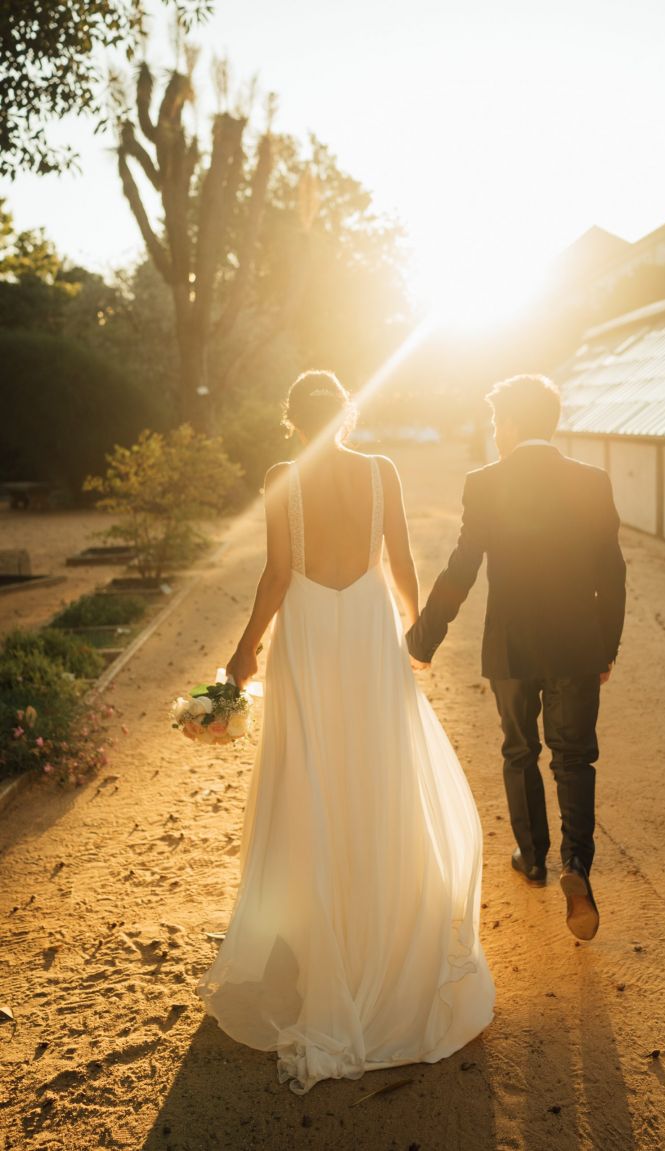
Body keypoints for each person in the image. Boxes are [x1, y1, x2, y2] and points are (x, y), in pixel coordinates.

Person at [196, 370, 494, 1094]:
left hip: (306, 630)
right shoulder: (380, 470)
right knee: (380, 768)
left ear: (292, 420)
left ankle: (323, 932)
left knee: (313, 772)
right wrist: (416, 630)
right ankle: (380, 926)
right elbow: (399, 558)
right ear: (347, 415)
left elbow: (275, 573)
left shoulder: (281, 475)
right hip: (366, 628)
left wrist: (244, 651)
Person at [407, 375, 626, 941]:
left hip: (510, 645)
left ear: (511, 425)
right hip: (578, 643)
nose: (494, 433)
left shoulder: (485, 483)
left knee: (520, 748)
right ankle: (577, 867)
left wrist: (423, 639)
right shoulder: (591, 481)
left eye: (495, 423)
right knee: (575, 758)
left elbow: (462, 569)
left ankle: (532, 858)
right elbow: (612, 571)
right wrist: (606, 646)